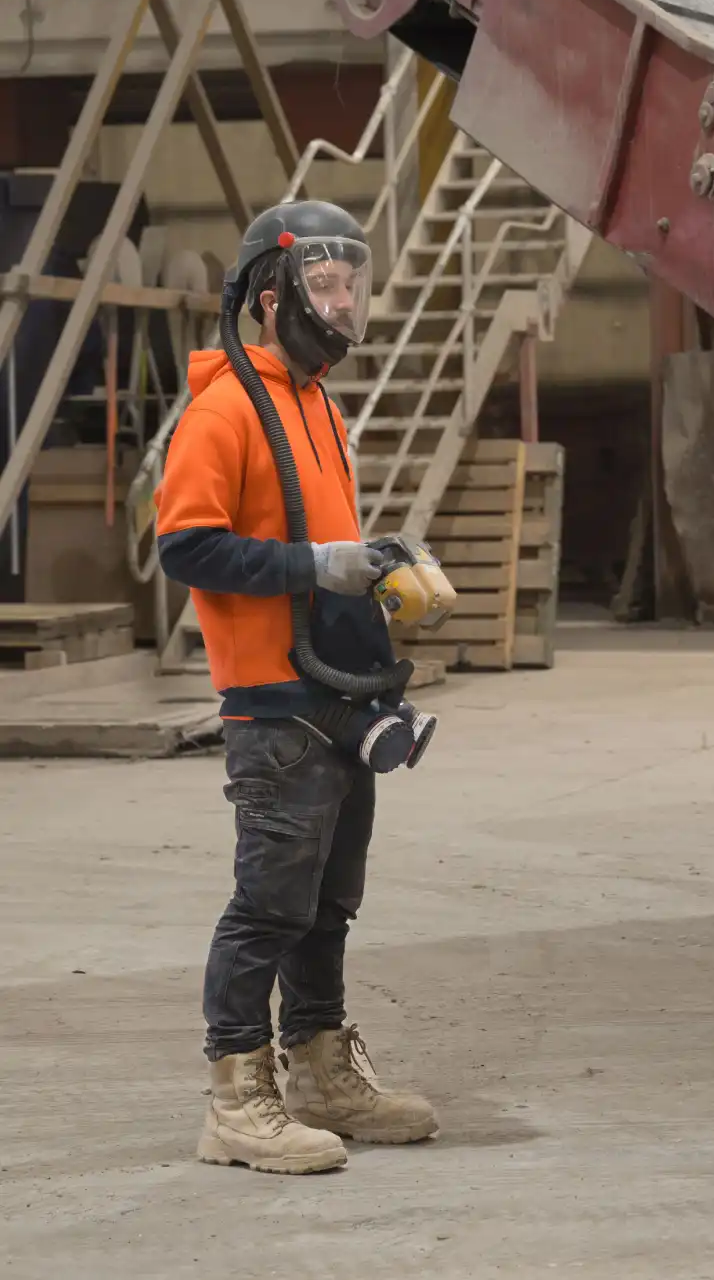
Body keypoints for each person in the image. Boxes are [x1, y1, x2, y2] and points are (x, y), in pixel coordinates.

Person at [155, 200, 438, 1175]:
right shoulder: (225, 407)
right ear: (268, 298)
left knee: (327, 902)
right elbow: (185, 544)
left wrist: (369, 575)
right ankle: (236, 1097)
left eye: (352, 280)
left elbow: (315, 548)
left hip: (337, 694)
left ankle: (320, 1066)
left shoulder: (318, 405)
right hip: (272, 702)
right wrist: (315, 564)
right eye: (325, 284)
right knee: (267, 905)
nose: (345, 300)